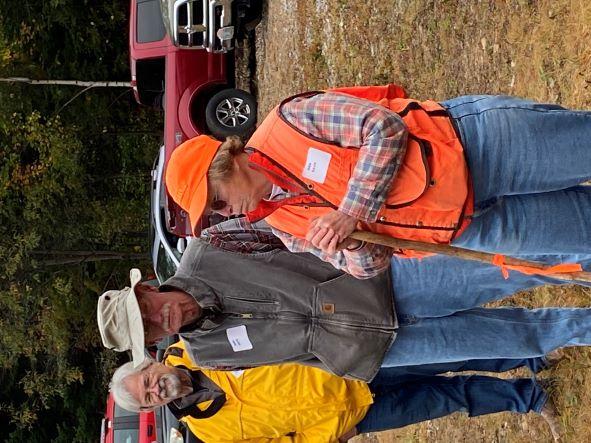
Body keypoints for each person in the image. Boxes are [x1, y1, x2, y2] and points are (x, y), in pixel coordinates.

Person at [164, 84, 591, 278]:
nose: (224, 215)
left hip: (478, 148)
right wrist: (352, 244)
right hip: (471, 228)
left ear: (225, 165)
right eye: (214, 215)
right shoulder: (283, 225)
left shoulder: (288, 122)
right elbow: (367, 268)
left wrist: (351, 213)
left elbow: (382, 127)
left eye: (215, 202)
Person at [97, 218, 591, 381]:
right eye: (153, 329)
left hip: (388, 280)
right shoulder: (208, 357)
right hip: (382, 349)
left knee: (511, 270)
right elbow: (294, 359)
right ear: (158, 343)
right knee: (523, 335)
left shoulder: (212, 248)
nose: (162, 318)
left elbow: (293, 224)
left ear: (147, 288)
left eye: (148, 309)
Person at [109, 340, 562, 442]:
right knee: (449, 399)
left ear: (150, 364)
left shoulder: (200, 344)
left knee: (446, 356)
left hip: (349, 365)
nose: (156, 389)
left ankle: (530, 354)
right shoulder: (208, 432)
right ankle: (530, 397)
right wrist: (330, 437)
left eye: (148, 381)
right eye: (149, 397)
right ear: (156, 405)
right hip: (349, 420)